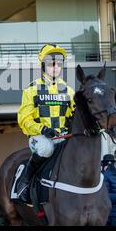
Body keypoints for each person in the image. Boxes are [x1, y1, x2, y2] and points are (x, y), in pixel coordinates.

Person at [16, 44, 75, 204]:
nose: (56, 68)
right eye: (51, 64)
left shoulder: (69, 91)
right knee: (46, 148)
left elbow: (74, 115)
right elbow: (24, 120)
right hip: (40, 138)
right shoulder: (31, 90)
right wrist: (43, 129)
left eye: (59, 64)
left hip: (63, 136)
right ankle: (24, 183)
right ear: (42, 65)